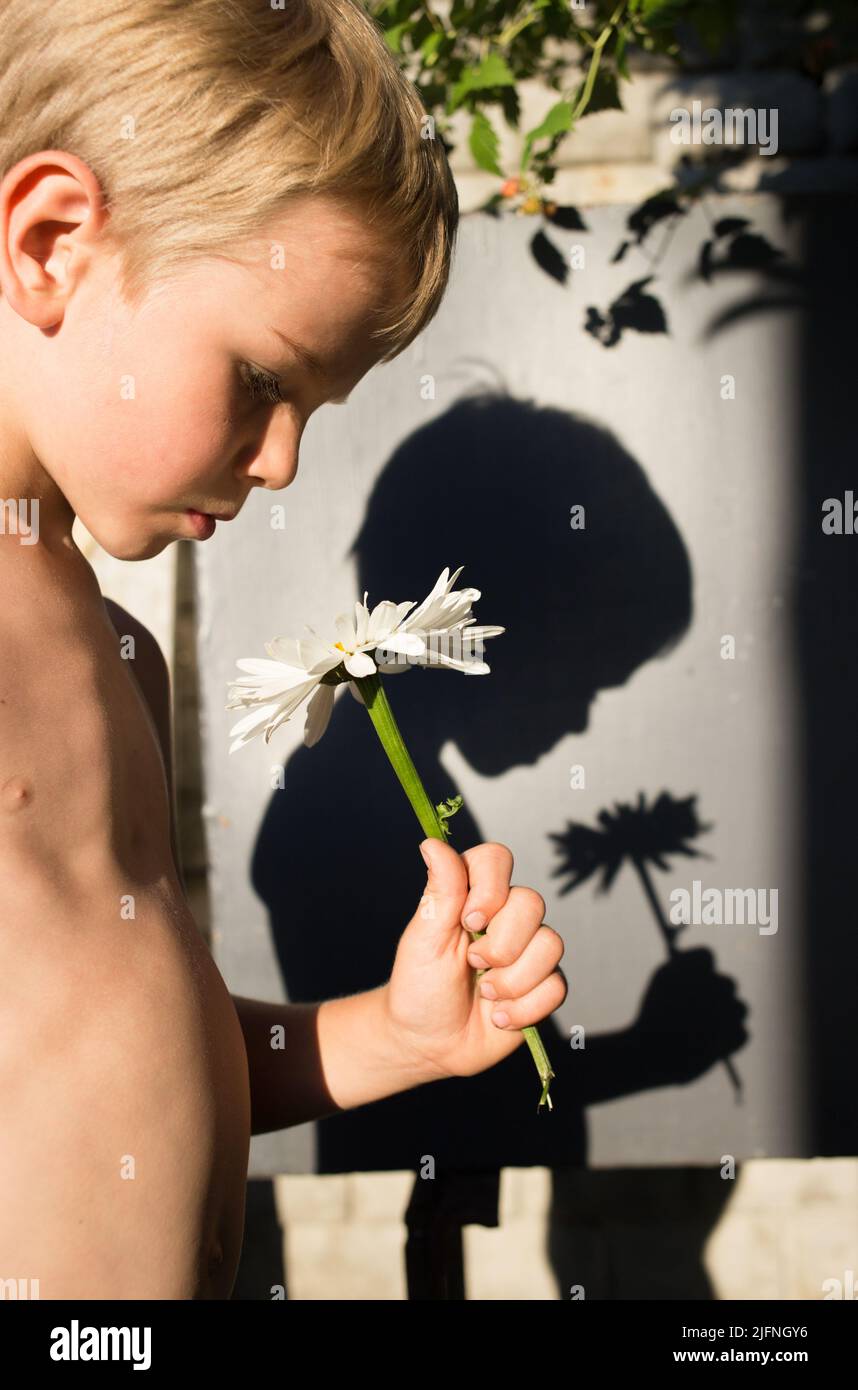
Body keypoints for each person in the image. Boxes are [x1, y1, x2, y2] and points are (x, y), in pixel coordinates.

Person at [0, 0, 566, 1298]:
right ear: (50, 242)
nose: (281, 461)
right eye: (261, 379)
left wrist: (388, 1039)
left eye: (309, 409)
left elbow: (135, 1056)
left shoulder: (117, 652)